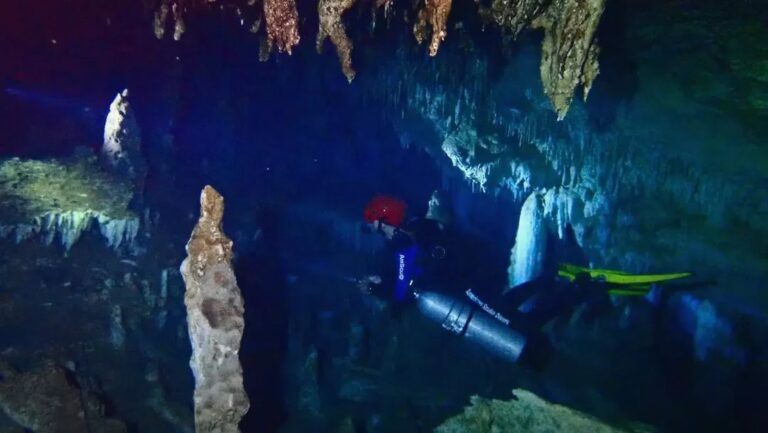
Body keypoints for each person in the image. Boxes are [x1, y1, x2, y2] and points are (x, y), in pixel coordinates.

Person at [357, 194, 693, 369]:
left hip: (469, 288)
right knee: (507, 307)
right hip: (475, 280)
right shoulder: (420, 228)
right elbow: (410, 272)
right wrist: (387, 282)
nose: (374, 230)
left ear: (386, 220)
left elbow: (402, 288)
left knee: (517, 323)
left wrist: (378, 289)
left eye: (374, 224)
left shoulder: (405, 242)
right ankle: (548, 281)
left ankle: (578, 291)